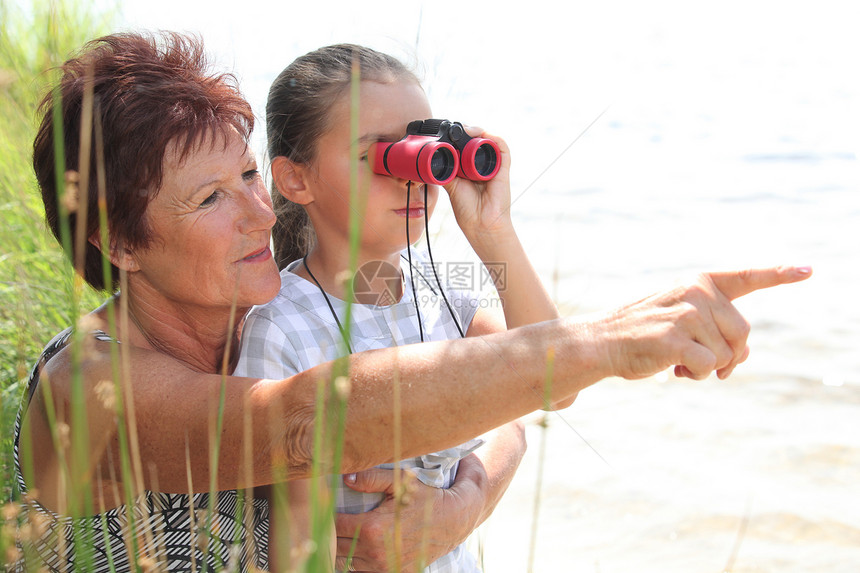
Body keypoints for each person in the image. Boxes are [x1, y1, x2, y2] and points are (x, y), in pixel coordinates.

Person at [11, 30, 810, 573]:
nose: (259, 212)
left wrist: (462, 503)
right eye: (210, 199)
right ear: (120, 244)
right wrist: (606, 339)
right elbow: (306, 420)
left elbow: (504, 400)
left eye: (250, 176)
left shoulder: (286, 300)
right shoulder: (88, 388)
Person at [234, 44, 571, 572]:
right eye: (379, 156)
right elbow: (297, 544)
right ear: (296, 179)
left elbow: (556, 383)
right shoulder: (283, 328)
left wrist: (492, 231)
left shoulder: (442, 298)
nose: (411, 175)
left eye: (422, 151)